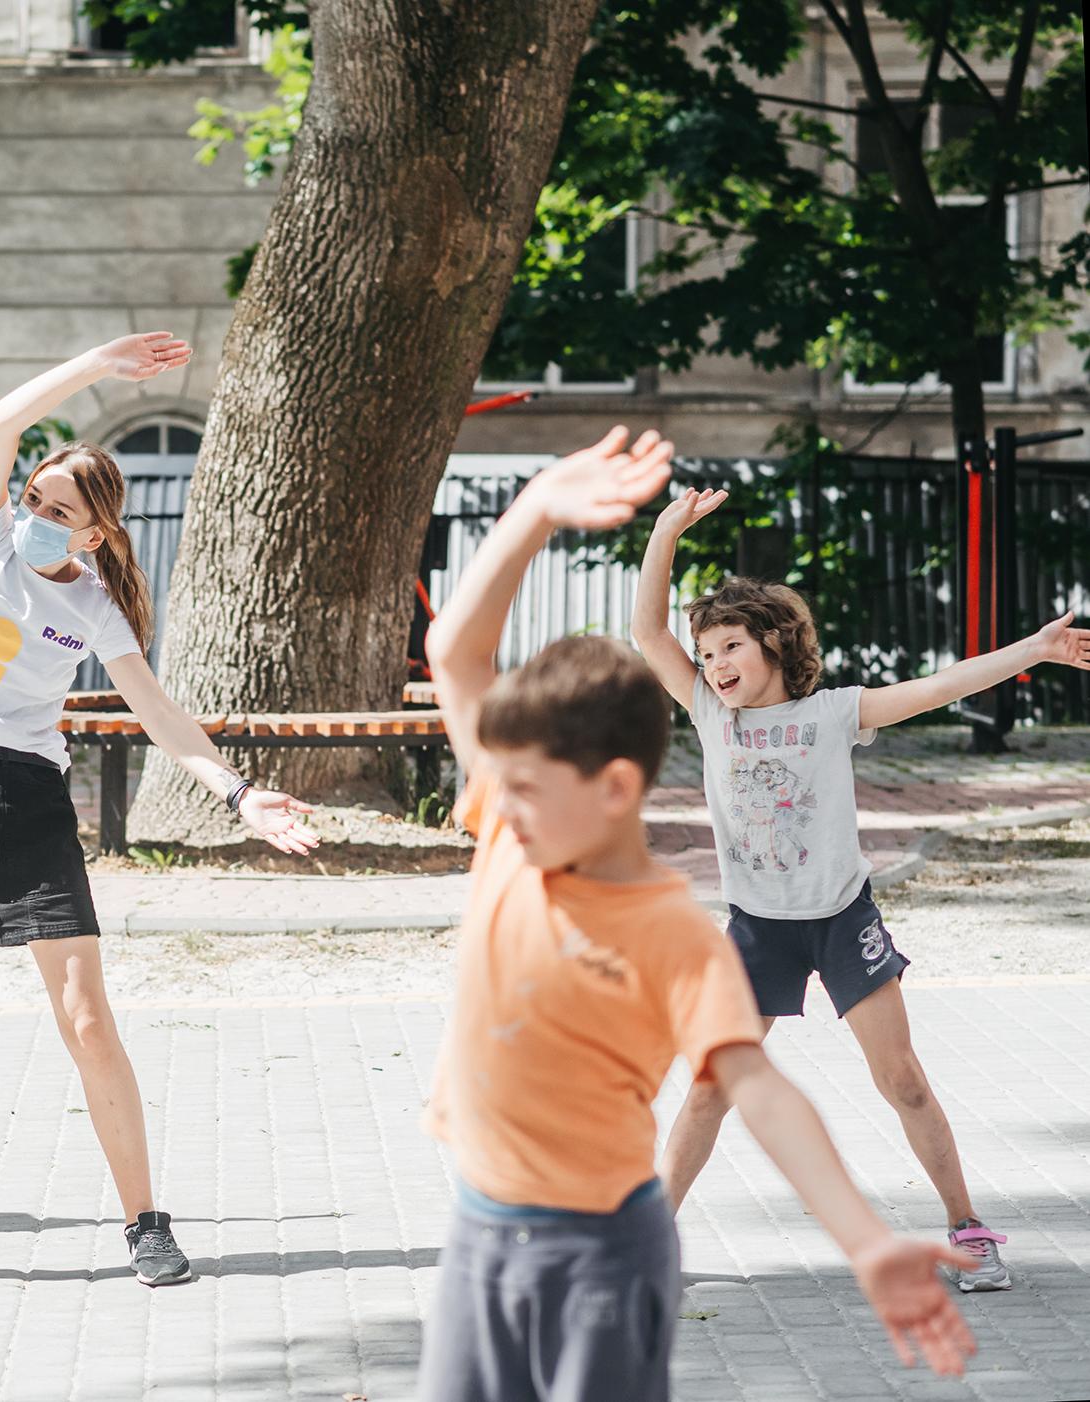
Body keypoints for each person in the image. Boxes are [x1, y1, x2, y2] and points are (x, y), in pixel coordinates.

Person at [418, 428, 977, 1400]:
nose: (495, 798)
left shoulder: (673, 933)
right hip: (475, 1231)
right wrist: (541, 503)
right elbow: (452, 648)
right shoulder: (511, 830)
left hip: (604, 1249)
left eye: (526, 783)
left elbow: (760, 1092)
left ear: (613, 787)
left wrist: (865, 1239)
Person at [0, 333, 320, 1291]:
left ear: (91, 534)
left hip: (31, 800)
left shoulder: (96, 608)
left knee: (87, 1022)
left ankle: (147, 1224)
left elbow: (160, 714)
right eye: (34, 499)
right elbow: (3, 422)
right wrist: (98, 365)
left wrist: (241, 793)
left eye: (58, 511)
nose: (36, 514)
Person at [635, 486, 1090, 1291]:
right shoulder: (711, 715)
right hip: (756, 929)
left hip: (844, 921)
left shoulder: (835, 713)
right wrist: (666, 530)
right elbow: (645, 631)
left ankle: (969, 1228)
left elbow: (942, 686)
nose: (716, 666)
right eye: (706, 655)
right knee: (709, 1090)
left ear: (774, 644)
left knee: (903, 1079)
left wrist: (1035, 649)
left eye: (731, 646)